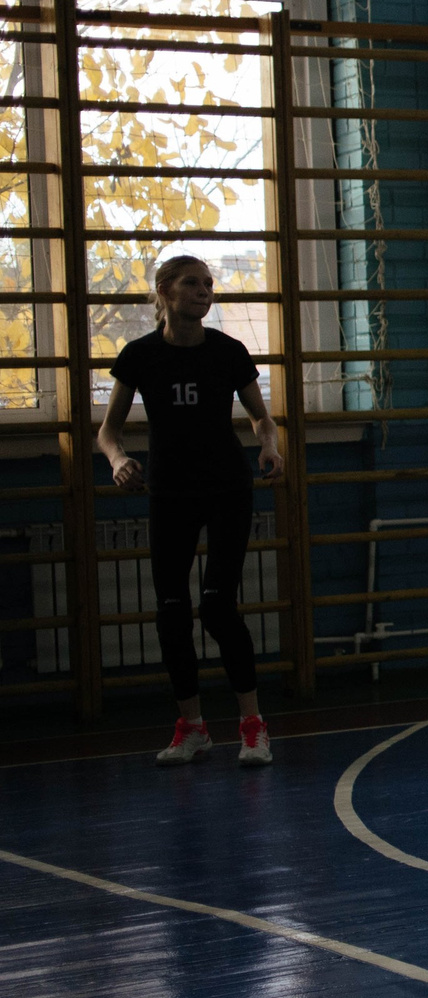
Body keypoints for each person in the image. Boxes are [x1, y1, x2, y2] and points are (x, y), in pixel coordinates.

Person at [97, 255, 284, 768]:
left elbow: (260, 418)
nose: (204, 291)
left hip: (226, 488)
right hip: (170, 492)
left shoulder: (228, 352)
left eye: (208, 284)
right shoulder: (140, 355)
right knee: (172, 613)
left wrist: (269, 446)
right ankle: (193, 727)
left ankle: (252, 725)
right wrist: (117, 460)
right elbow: (108, 431)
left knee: (219, 608)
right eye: (192, 283)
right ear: (164, 290)